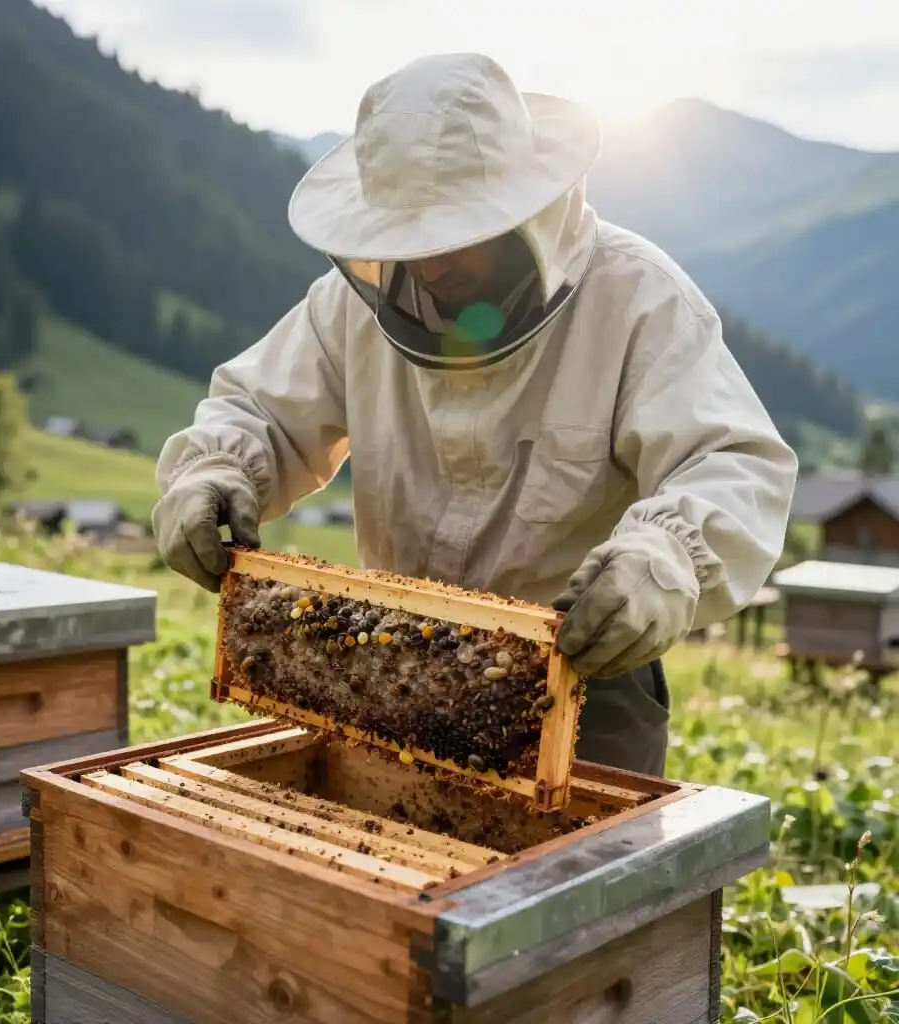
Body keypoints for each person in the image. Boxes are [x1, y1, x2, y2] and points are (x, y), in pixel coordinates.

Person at [151, 52, 798, 778]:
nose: (429, 267)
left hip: (583, 672)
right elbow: (262, 410)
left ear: (528, 210)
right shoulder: (345, 310)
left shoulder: (641, 300)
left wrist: (667, 557)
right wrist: (214, 468)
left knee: (587, 888)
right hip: (392, 667)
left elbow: (730, 461)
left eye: (455, 236)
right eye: (407, 239)